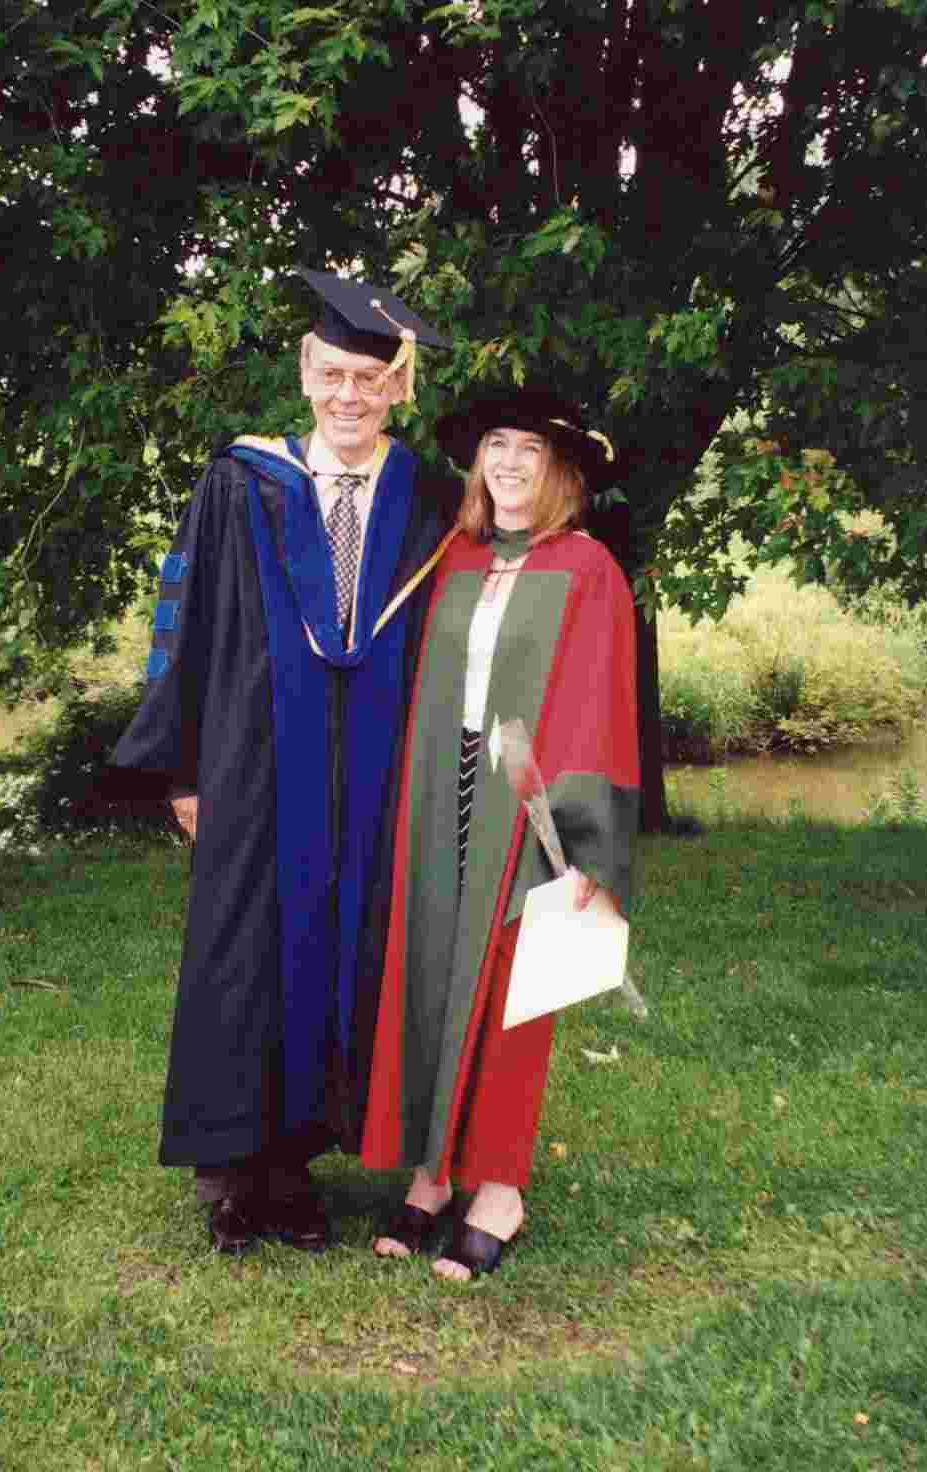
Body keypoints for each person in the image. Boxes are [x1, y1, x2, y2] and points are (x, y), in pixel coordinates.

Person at [101, 270, 457, 1255]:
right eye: (332, 374)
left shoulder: (427, 495)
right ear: (304, 373)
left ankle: (294, 1166)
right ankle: (230, 1173)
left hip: (375, 772)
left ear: (396, 388)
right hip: (254, 762)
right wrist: (181, 767)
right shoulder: (243, 482)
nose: (348, 396)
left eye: (368, 380)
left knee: (339, 952)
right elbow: (184, 622)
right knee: (242, 953)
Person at [360, 387, 639, 1279]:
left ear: (560, 471)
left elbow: (600, 706)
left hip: (533, 800)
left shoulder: (587, 567)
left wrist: (585, 844)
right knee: (433, 976)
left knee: (516, 993)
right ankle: (433, 1170)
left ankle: (501, 1189)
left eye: (529, 449)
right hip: (440, 792)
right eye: (496, 446)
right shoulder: (456, 558)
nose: (510, 463)